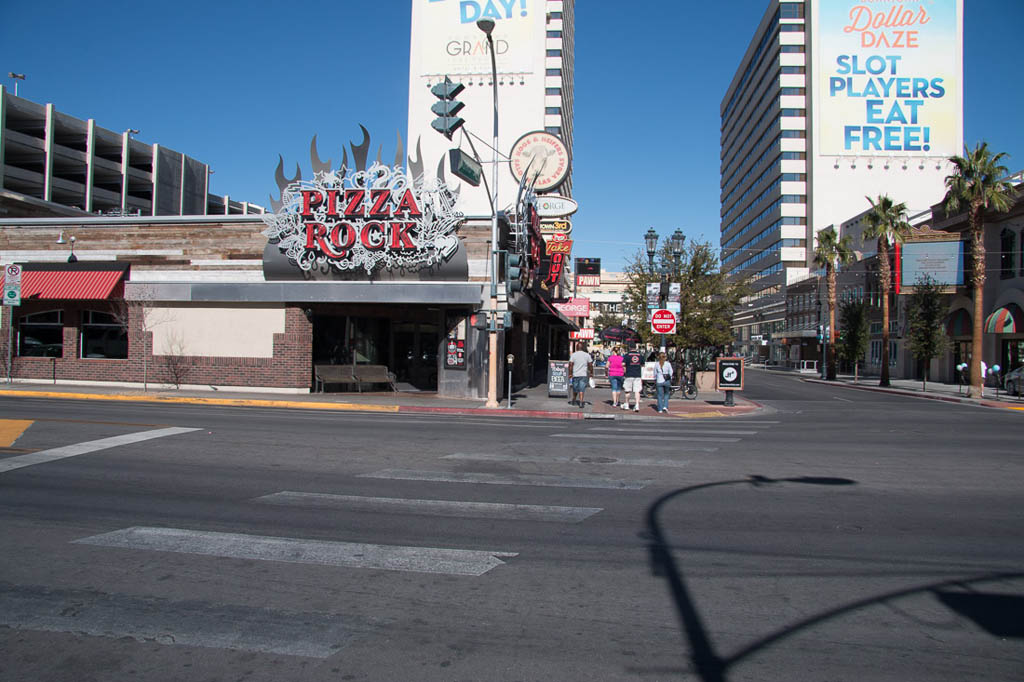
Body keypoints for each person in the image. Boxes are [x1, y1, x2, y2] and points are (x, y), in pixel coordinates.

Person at [569, 342, 593, 409]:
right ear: (582, 348)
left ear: (577, 348)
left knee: (575, 388)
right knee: (581, 389)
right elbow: (590, 365)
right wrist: (591, 373)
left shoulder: (573, 355)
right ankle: (581, 402)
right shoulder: (587, 355)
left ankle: (574, 399)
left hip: (575, 374)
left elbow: (570, 365)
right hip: (583, 374)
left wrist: (570, 374)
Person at [621, 343, 645, 412]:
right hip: (637, 375)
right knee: (637, 391)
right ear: (636, 348)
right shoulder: (640, 355)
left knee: (627, 390)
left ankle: (627, 404)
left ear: (630, 348)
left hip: (629, 374)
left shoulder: (627, 355)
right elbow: (643, 365)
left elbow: (623, 364)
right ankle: (637, 405)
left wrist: (625, 369)